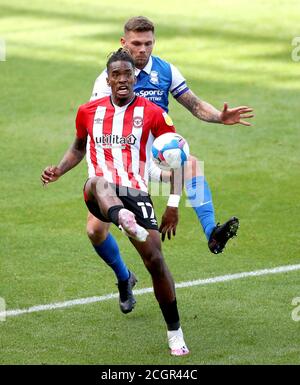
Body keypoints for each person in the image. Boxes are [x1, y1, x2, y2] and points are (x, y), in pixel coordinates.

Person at [84, 16, 254, 310]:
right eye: (136, 43)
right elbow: (97, 127)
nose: (142, 49)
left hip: (157, 160)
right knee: (95, 232)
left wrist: (219, 117)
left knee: (192, 165)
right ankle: (124, 278)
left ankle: (212, 232)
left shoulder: (165, 70)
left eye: (148, 43)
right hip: (120, 166)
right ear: (123, 43)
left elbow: (194, 103)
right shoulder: (106, 80)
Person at [41, 48, 189, 356]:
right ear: (107, 80)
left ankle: (175, 332)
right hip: (99, 192)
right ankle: (121, 218)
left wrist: (172, 205)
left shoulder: (153, 114)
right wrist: (58, 169)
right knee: (97, 182)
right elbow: (78, 148)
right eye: (116, 75)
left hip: (135, 192)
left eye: (127, 74)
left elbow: (177, 160)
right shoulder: (87, 111)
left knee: (156, 262)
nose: (122, 79)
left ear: (135, 77)